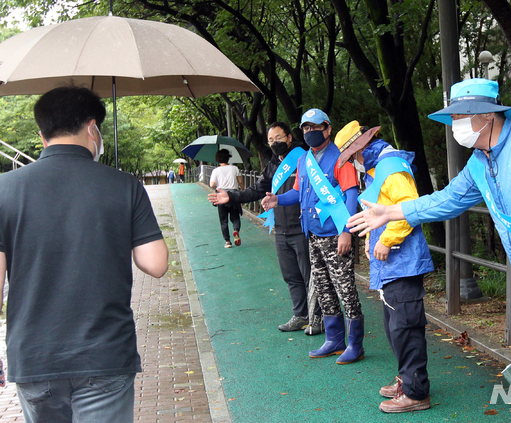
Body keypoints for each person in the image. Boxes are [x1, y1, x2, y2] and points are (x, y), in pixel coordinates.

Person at [347, 78, 511, 421]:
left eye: (460, 116)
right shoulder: (479, 163)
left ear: (486, 115)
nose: (456, 125)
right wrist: (392, 211)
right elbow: (447, 200)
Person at [0, 86, 169, 423]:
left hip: (34, 356)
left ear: (42, 132)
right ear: (93, 128)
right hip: (104, 354)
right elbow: (156, 263)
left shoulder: (5, 188)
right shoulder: (124, 185)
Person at [336, 121, 434, 413]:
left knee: (406, 327)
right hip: (393, 263)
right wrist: (372, 239)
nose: (352, 160)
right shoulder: (379, 168)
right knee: (396, 327)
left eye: (352, 154)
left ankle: (416, 392)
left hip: (402, 260)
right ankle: (408, 379)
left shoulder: (389, 167)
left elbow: (409, 207)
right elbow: (382, 210)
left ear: (361, 148)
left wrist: (387, 240)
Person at [261, 108, 364, 364]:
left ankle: (355, 344)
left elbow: (351, 195)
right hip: (313, 235)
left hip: (335, 235)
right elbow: (297, 193)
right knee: (323, 288)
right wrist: (277, 199)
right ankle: (334, 339)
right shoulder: (304, 160)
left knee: (345, 288)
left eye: (316, 127)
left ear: (328, 129)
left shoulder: (341, 158)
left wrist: (346, 232)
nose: (310, 132)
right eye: (306, 128)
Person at [208, 122, 323, 334]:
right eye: (270, 140)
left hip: (303, 227)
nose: (274, 143)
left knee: (310, 276)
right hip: (281, 228)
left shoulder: (304, 158)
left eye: (278, 138)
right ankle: (300, 315)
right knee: (291, 276)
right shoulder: (272, 165)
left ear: (289, 137)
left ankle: (319, 317)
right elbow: (257, 189)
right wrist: (231, 196)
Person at [210, 149, 244, 248]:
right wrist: (243, 190)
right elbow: (240, 182)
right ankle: (236, 230)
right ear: (228, 158)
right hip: (234, 195)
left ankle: (228, 241)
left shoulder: (216, 170)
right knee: (235, 217)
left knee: (223, 219)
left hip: (221, 196)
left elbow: (212, 184)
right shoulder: (234, 168)